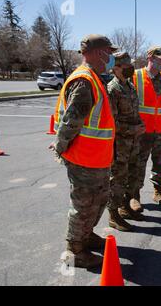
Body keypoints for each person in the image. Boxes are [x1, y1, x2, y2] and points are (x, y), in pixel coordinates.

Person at [50, 34, 118, 268]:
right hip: (83, 158)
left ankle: (86, 236)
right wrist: (60, 147)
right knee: (83, 205)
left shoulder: (95, 78)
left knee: (97, 201)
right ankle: (75, 249)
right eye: (108, 52)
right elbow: (71, 121)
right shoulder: (84, 80)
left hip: (97, 158)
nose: (111, 57)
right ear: (98, 53)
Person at [132, 46, 161, 209]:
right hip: (140, 131)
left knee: (160, 161)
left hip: (160, 130)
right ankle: (134, 196)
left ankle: (157, 191)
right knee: (137, 163)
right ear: (150, 58)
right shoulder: (135, 76)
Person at [107, 52, 146, 232]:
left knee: (133, 176)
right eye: (126, 66)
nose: (130, 68)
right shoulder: (112, 89)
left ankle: (126, 207)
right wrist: (132, 129)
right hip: (120, 144)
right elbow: (111, 122)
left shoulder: (129, 86)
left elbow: (133, 113)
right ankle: (113, 215)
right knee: (118, 179)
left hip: (133, 142)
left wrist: (140, 124)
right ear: (116, 68)